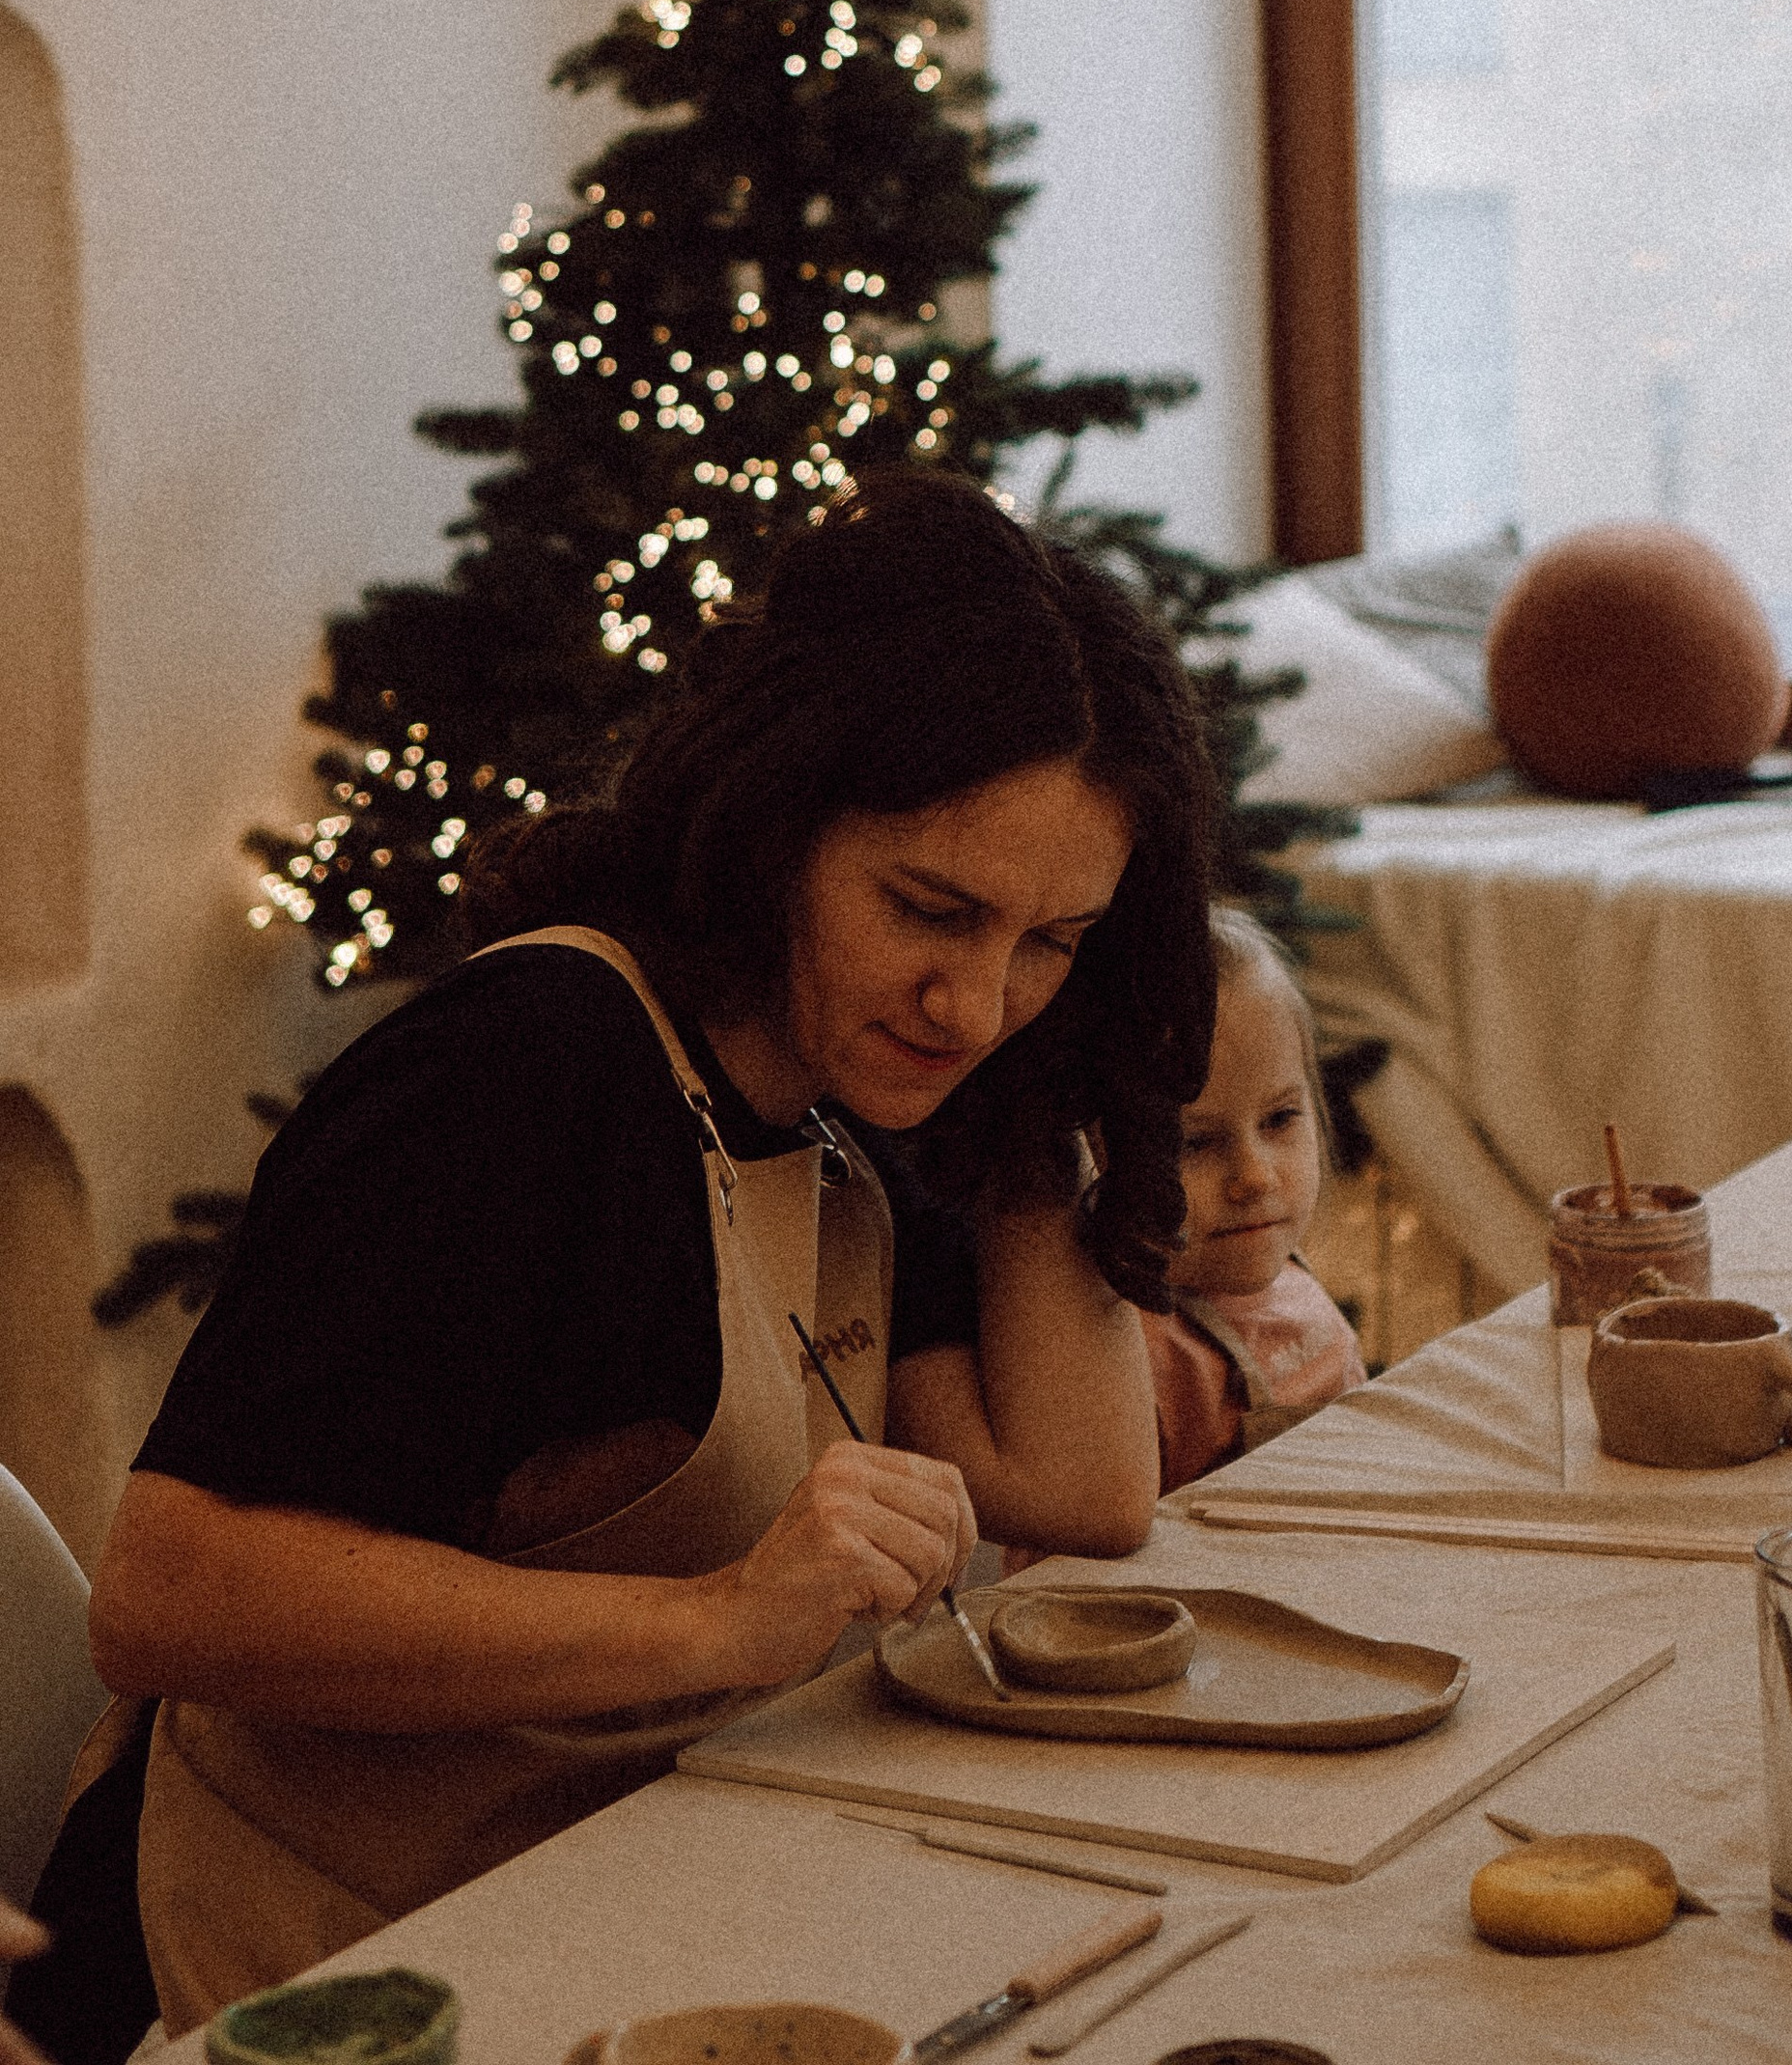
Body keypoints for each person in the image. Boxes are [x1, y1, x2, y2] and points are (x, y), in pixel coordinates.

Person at [78, 472, 1217, 2039]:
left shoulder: (860, 1084)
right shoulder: (530, 1071)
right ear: (775, 817)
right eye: (929, 909)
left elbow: (1084, 1494)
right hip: (335, 1980)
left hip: (648, 1902)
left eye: (1051, 938)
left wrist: (1056, 1071)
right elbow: (170, 1591)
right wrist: (715, 1621)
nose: (969, 997)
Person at [1143, 907, 1365, 1492]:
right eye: (1196, 1143)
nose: (1255, 1177)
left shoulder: (1283, 1274)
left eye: (1280, 1118)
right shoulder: (1137, 1353)